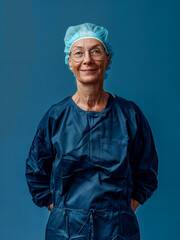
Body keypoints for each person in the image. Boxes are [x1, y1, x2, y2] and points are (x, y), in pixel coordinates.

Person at [25, 23, 158, 240]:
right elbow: (35, 170)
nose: (87, 60)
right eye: (78, 53)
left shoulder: (129, 116)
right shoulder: (56, 117)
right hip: (65, 229)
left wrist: (122, 211)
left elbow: (146, 170)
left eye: (96, 51)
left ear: (108, 60)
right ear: (70, 62)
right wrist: (61, 211)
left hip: (117, 228)